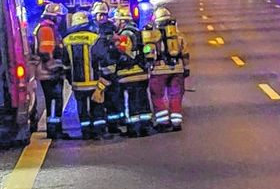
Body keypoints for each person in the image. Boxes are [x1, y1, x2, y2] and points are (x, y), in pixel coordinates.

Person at [63, 12, 110, 139]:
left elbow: (65, 64)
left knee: (82, 110)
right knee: (97, 108)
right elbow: (103, 58)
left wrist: (70, 79)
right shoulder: (94, 38)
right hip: (94, 83)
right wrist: (105, 78)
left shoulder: (66, 40)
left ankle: (86, 132)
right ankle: (98, 132)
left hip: (77, 84)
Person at [112, 7, 153, 136]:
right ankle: (146, 127)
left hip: (129, 74)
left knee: (131, 102)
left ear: (122, 21)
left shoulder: (124, 34)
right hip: (142, 73)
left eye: (117, 20)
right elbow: (146, 50)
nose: (115, 23)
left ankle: (134, 129)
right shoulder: (138, 31)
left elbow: (123, 53)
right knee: (143, 101)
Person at [148, 7, 189, 131]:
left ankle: (163, 122)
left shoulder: (151, 35)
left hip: (158, 70)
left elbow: (148, 52)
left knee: (158, 96)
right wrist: (186, 68)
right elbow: (185, 53)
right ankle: (176, 122)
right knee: (175, 95)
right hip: (177, 69)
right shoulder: (178, 35)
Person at [33, 3, 68, 139]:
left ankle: (55, 129)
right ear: (54, 17)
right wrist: (56, 69)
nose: (60, 19)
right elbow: (46, 52)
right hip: (48, 73)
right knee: (54, 101)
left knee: (55, 101)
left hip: (48, 72)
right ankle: (54, 130)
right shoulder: (47, 29)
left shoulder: (48, 27)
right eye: (59, 17)